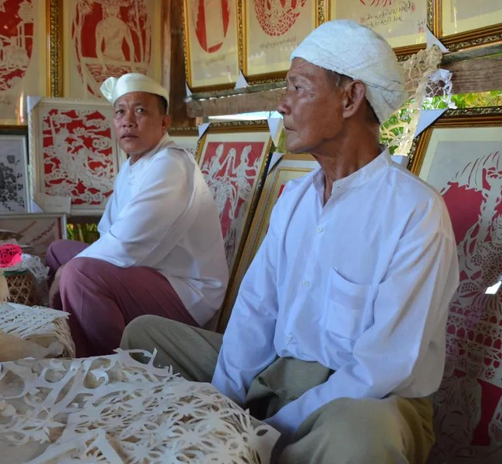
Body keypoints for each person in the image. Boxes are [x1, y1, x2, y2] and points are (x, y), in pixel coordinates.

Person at [121, 20, 460, 464]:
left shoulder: (414, 211)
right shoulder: (295, 199)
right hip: (277, 374)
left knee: (359, 437)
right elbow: (256, 311)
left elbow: (385, 366)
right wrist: (222, 409)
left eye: (298, 87)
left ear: (350, 98)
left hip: (365, 398)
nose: (283, 104)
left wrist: (269, 428)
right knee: (144, 336)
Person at [46, 73, 228, 358]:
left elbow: (127, 244)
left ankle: (115, 365)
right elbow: (110, 233)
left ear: (164, 122)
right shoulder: (134, 163)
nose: (128, 121)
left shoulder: (170, 164)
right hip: (148, 271)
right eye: (120, 112)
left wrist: (68, 271)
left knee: (77, 274)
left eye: (140, 111)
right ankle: (74, 346)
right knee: (58, 251)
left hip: (187, 289)